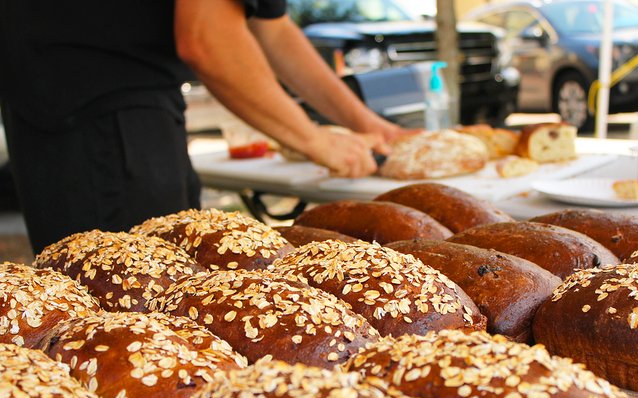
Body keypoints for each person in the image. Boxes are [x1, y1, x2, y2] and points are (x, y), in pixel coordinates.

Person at [0, 0, 407, 254]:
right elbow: (207, 38)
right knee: (132, 330)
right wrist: (315, 140)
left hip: (88, 106)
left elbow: (273, 27)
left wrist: (373, 127)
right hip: (102, 121)